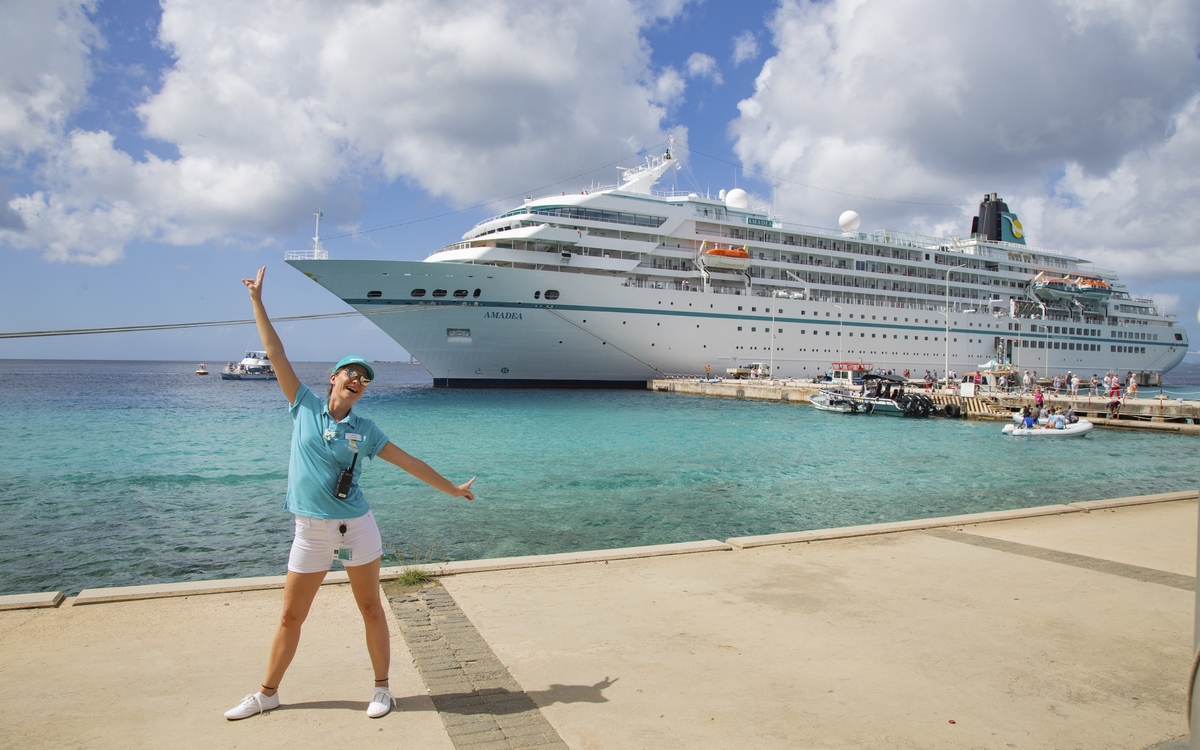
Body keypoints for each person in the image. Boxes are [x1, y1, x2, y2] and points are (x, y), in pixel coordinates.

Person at [225, 267, 476, 722]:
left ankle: (382, 689)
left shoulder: (366, 429)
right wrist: (257, 301)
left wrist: (452, 490)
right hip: (309, 530)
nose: (357, 379)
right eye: (351, 373)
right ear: (335, 376)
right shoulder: (302, 404)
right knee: (289, 618)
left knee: (369, 607)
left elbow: (411, 462)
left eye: (364, 377)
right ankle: (267, 693)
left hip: (355, 527)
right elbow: (275, 352)